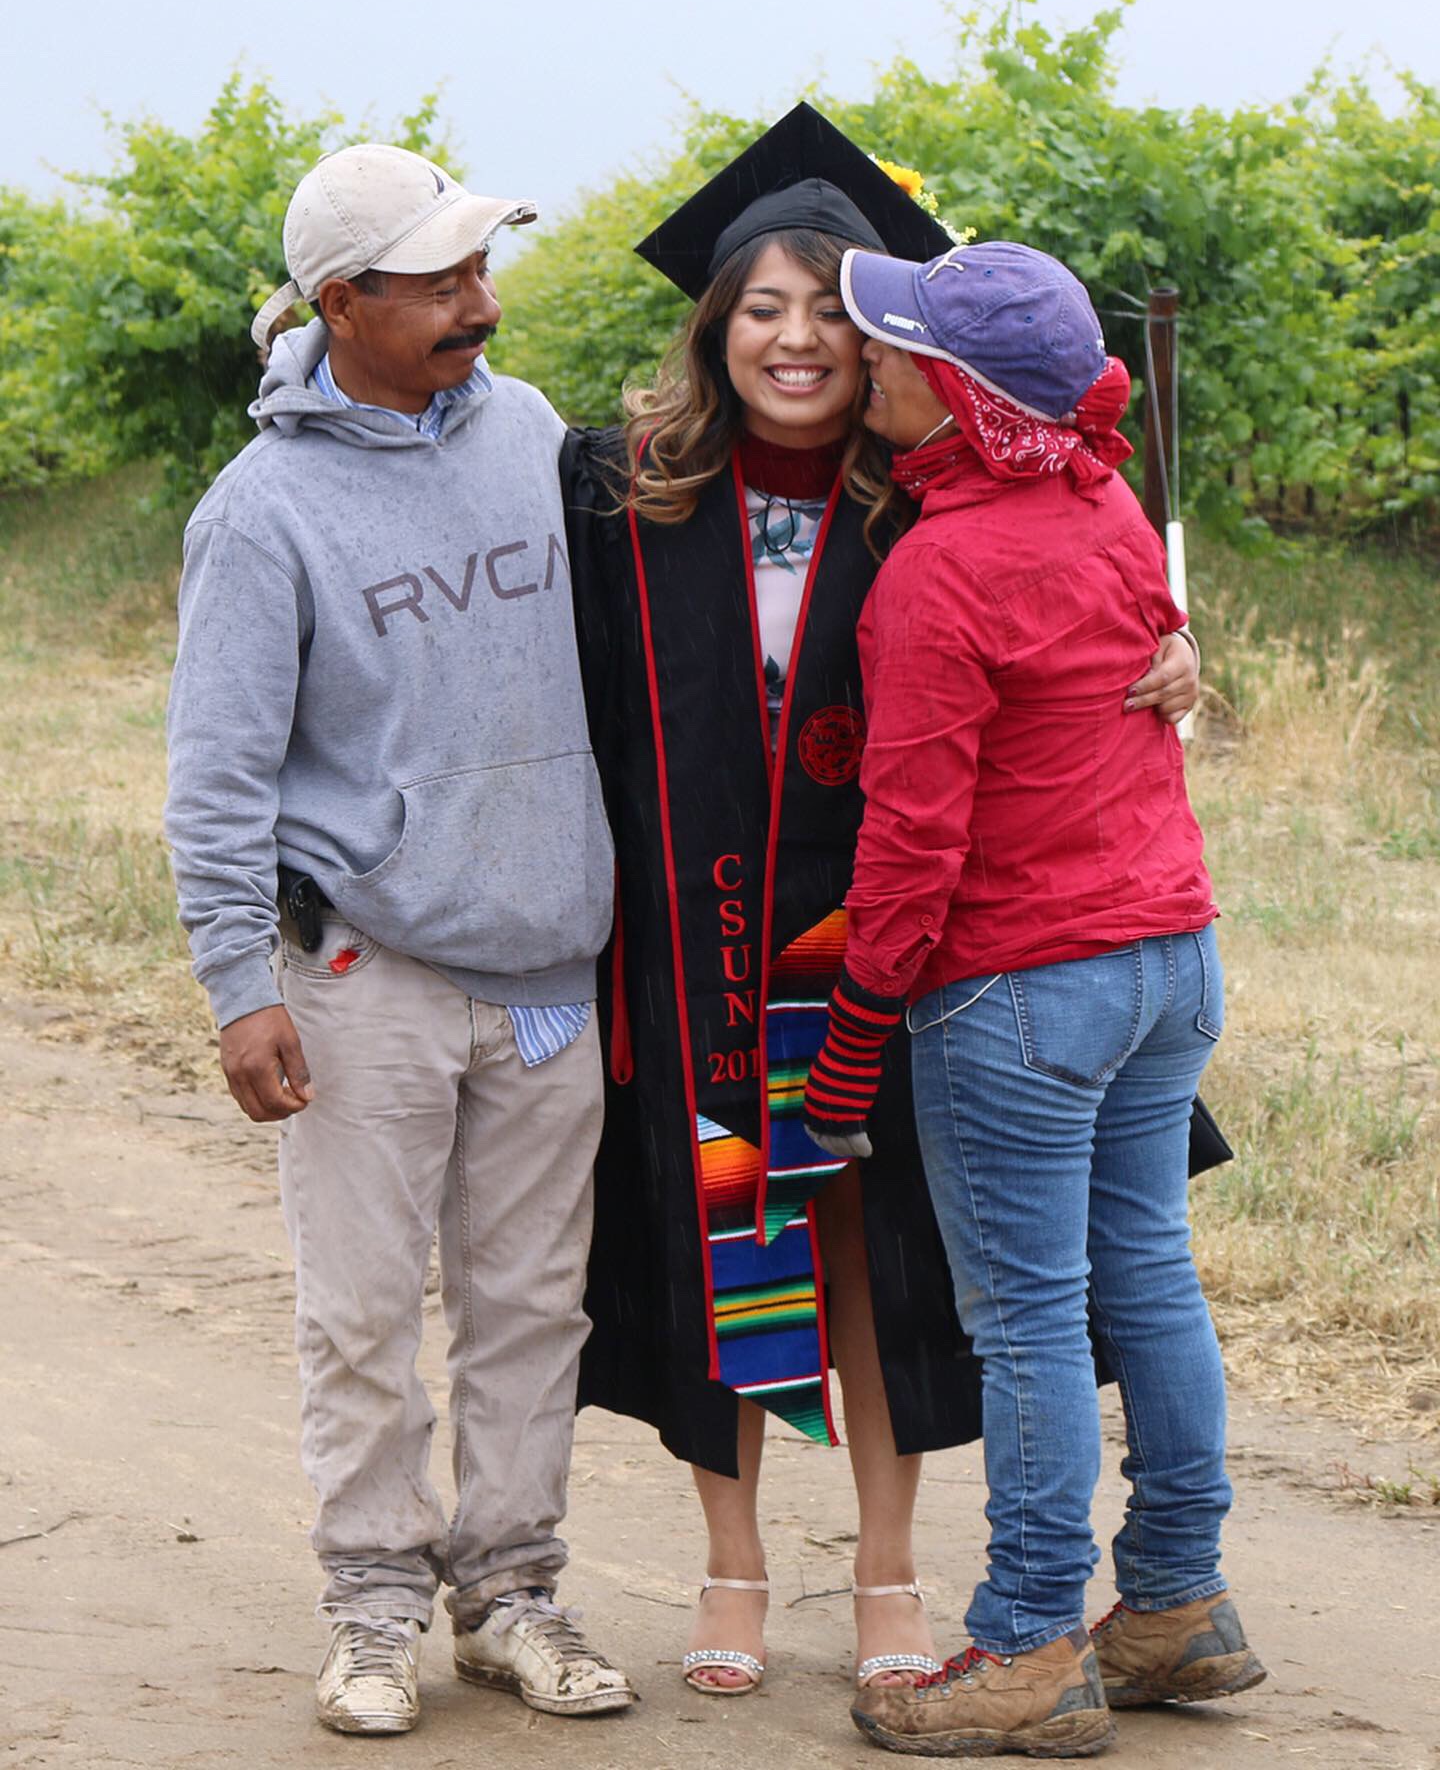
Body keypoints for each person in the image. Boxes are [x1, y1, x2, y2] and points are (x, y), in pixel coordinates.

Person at [562, 107, 1202, 1702]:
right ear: (715, 327)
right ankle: (733, 1563)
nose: (798, 338)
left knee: (883, 1253)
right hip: (703, 939)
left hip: (893, 948)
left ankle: (901, 1571)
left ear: (885, 343)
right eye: (762, 307)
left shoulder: (927, 497)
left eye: (834, 310)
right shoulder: (618, 493)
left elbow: (1077, 645)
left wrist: (1188, 665)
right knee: (733, 1231)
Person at [164, 143, 634, 1737]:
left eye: (481, 270)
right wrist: (241, 987)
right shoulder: (263, 511)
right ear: (341, 304)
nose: (480, 306)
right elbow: (217, 773)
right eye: (439, 282)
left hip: (550, 972)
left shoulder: (532, 434)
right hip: (363, 972)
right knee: (362, 1311)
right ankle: (370, 1606)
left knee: (531, 1304)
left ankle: (511, 1594)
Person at [798, 238, 1266, 1758]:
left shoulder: (940, 572)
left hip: (1019, 984)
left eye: (896, 345)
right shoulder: (1102, 500)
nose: (869, 355)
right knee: (1148, 1277)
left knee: (1031, 1327)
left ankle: (1023, 1645)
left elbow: (912, 844)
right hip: (1166, 957)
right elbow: (1149, 656)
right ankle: (1178, 1604)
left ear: (959, 391)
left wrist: (850, 1045)